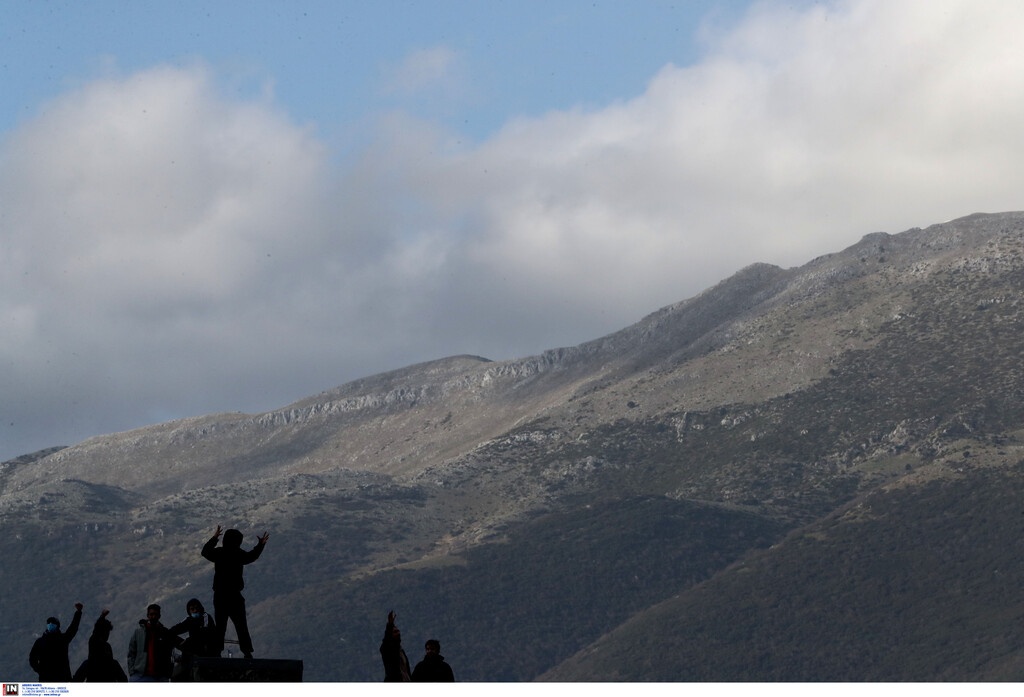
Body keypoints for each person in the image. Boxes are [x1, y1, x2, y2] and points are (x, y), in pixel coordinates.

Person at [201, 525, 269, 659]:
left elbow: (205, 552)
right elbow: (252, 556)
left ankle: (217, 651)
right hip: (235, 596)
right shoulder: (239, 554)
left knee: (220, 626)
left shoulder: (219, 553)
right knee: (241, 625)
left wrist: (214, 538)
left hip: (220, 595)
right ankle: (246, 651)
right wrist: (260, 545)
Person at [29, 602, 83, 681]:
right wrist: (40, 670)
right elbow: (32, 658)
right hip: (46, 680)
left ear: (57, 626)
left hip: (62, 679)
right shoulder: (40, 642)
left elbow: (73, 628)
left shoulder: (62, 640)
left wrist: (78, 613)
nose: (50, 625)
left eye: (53, 624)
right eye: (49, 623)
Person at [168, 598, 218, 680]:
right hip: (191, 648)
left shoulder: (206, 617)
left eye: (196, 608)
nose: (195, 611)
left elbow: (204, 634)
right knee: (170, 636)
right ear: (189, 611)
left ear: (200, 608)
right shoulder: (189, 619)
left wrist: (187, 640)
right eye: (192, 609)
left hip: (206, 649)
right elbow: (177, 628)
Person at [73, 609, 127, 682]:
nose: (108, 634)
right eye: (107, 631)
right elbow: (96, 630)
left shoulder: (107, 646)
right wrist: (102, 617)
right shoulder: (94, 642)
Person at [126, 604, 175, 682]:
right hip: (140, 676)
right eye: (151, 614)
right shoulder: (138, 633)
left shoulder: (164, 632)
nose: (153, 617)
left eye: (156, 614)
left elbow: (170, 653)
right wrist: (132, 672)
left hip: (160, 676)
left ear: (159, 616)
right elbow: (131, 653)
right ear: (147, 615)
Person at [379, 610, 411, 681]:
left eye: (398, 631)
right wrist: (390, 625)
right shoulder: (387, 650)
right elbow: (386, 641)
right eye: (395, 632)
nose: (398, 633)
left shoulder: (401, 651)